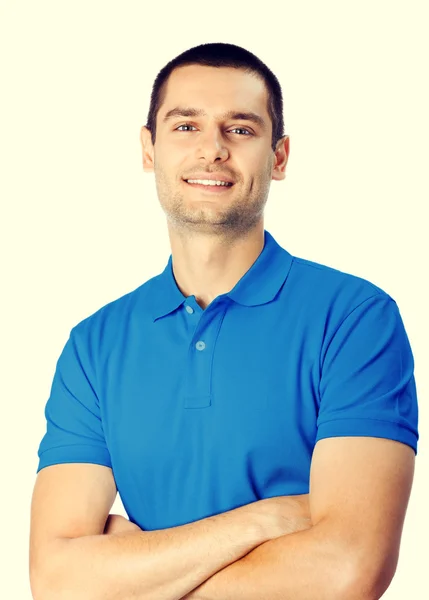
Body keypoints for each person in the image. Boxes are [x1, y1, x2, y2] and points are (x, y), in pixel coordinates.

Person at [30, 42, 418, 600]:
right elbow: (57, 579)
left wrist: (131, 571)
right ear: (149, 149)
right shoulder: (95, 345)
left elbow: (346, 570)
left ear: (278, 157)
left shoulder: (356, 320)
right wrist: (264, 521)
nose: (212, 150)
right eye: (186, 127)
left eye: (239, 129)